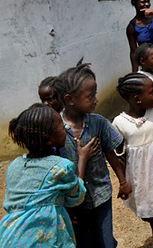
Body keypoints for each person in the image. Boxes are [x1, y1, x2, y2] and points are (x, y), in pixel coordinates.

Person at [56, 62, 131, 248]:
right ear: (70, 99)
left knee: (106, 242)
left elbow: (110, 152)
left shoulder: (99, 123)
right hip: (72, 202)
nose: (96, 100)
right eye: (90, 97)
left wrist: (123, 181)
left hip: (101, 194)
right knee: (83, 242)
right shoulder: (55, 128)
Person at [0, 104, 87, 247]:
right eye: (61, 127)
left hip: (10, 236)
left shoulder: (14, 165)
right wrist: (82, 158)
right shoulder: (61, 167)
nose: (66, 129)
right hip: (44, 239)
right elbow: (77, 196)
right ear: (48, 139)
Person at [113, 73, 153, 248]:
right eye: (151, 93)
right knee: (145, 213)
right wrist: (123, 182)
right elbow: (119, 155)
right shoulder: (119, 123)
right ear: (137, 99)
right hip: (139, 177)